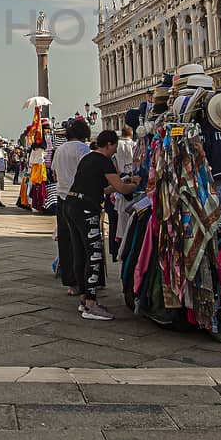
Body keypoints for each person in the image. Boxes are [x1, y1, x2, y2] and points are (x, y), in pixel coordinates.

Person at [64, 130, 140, 321]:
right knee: (95, 254)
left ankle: (84, 299)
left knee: (80, 253)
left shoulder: (88, 159)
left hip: (71, 205)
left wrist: (120, 184)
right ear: (109, 145)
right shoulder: (104, 161)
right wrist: (135, 184)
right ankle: (91, 304)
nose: (114, 151)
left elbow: (103, 188)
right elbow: (122, 189)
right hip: (86, 210)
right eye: (114, 147)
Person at [51, 119, 93, 294]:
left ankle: (70, 282)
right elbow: (89, 173)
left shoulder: (59, 150)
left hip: (61, 197)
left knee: (65, 240)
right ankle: (84, 280)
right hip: (79, 198)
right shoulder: (84, 150)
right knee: (82, 242)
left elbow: (54, 174)